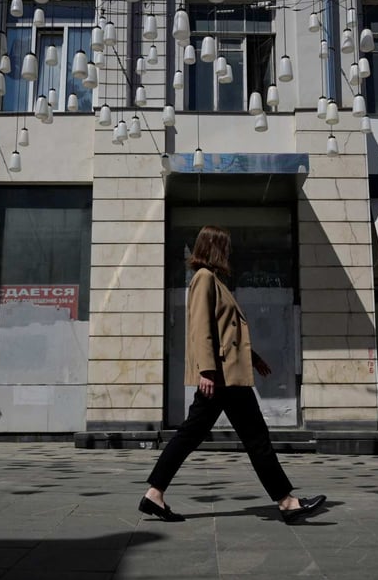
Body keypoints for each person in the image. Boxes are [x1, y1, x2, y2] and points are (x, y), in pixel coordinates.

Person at [139, 225, 326, 524]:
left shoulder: (214, 280)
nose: (229, 253)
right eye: (225, 247)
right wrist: (208, 372)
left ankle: (155, 493)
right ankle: (287, 502)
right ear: (214, 248)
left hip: (225, 374)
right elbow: (202, 330)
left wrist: (252, 358)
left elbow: (225, 332)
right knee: (255, 438)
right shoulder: (204, 279)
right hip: (222, 377)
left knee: (192, 435)